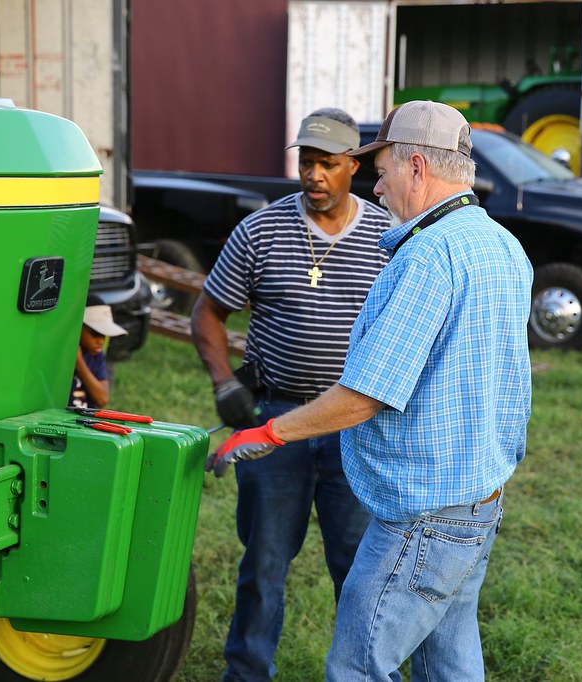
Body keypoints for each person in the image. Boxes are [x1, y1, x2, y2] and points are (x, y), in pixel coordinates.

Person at [209, 100, 534, 681]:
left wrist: (270, 430)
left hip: (424, 515)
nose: (377, 188)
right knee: (449, 663)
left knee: (358, 665)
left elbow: (367, 395)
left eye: (380, 170)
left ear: (415, 167)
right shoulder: (501, 245)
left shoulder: (429, 257)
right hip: (479, 500)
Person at [191, 107, 392, 681]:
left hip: (353, 425)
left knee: (357, 568)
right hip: (274, 416)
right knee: (264, 565)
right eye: (306, 162)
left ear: (353, 165)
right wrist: (225, 381)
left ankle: (361, 673)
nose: (314, 175)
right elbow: (207, 312)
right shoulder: (261, 231)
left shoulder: (386, 236)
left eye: (327, 164)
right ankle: (248, 673)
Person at [69, 304, 127, 409]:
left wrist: (79, 363)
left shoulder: (97, 356)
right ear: (78, 327)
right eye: (95, 334)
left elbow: (102, 399)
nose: (101, 341)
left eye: (104, 335)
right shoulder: (63, 355)